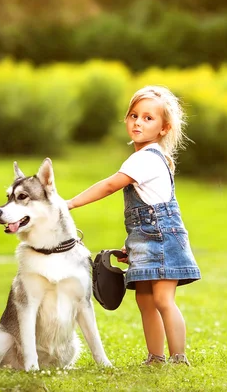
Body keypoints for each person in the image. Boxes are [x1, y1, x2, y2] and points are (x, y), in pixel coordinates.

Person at [66, 85, 201, 366]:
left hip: (163, 237)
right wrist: (133, 244)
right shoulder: (144, 157)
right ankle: (156, 357)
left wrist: (70, 204)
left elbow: (110, 185)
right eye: (133, 115)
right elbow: (143, 214)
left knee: (163, 300)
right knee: (145, 301)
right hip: (147, 236)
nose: (138, 122)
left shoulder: (146, 158)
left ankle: (179, 358)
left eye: (148, 118)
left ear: (164, 128)